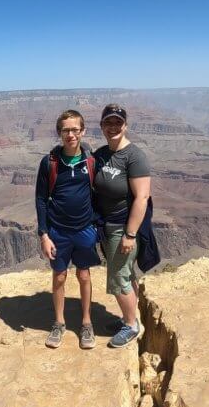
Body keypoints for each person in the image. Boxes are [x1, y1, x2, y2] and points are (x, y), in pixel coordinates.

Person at [35, 109, 99, 350]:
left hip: (84, 229)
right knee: (59, 276)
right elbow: (41, 199)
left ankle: (86, 323)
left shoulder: (91, 161)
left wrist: (97, 228)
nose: (70, 134)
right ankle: (59, 322)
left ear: (82, 131)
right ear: (59, 132)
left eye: (75, 129)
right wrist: (44, 234)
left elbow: (103, 195)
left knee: (84, 275)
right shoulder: (49, 163)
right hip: (58, 231)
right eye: (65, 130)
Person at [93, 104, 151, 348]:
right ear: (102, 126)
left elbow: (142, 198)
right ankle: (130, 317)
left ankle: (130, 326)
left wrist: (130, 234)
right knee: (126, 273)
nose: (113, 127)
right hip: (105, 226)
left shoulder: (134, 156)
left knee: (118, 278)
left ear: (125, 125)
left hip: (122, 228)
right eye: (108, 123)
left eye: (118, 122)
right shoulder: (102, 154)